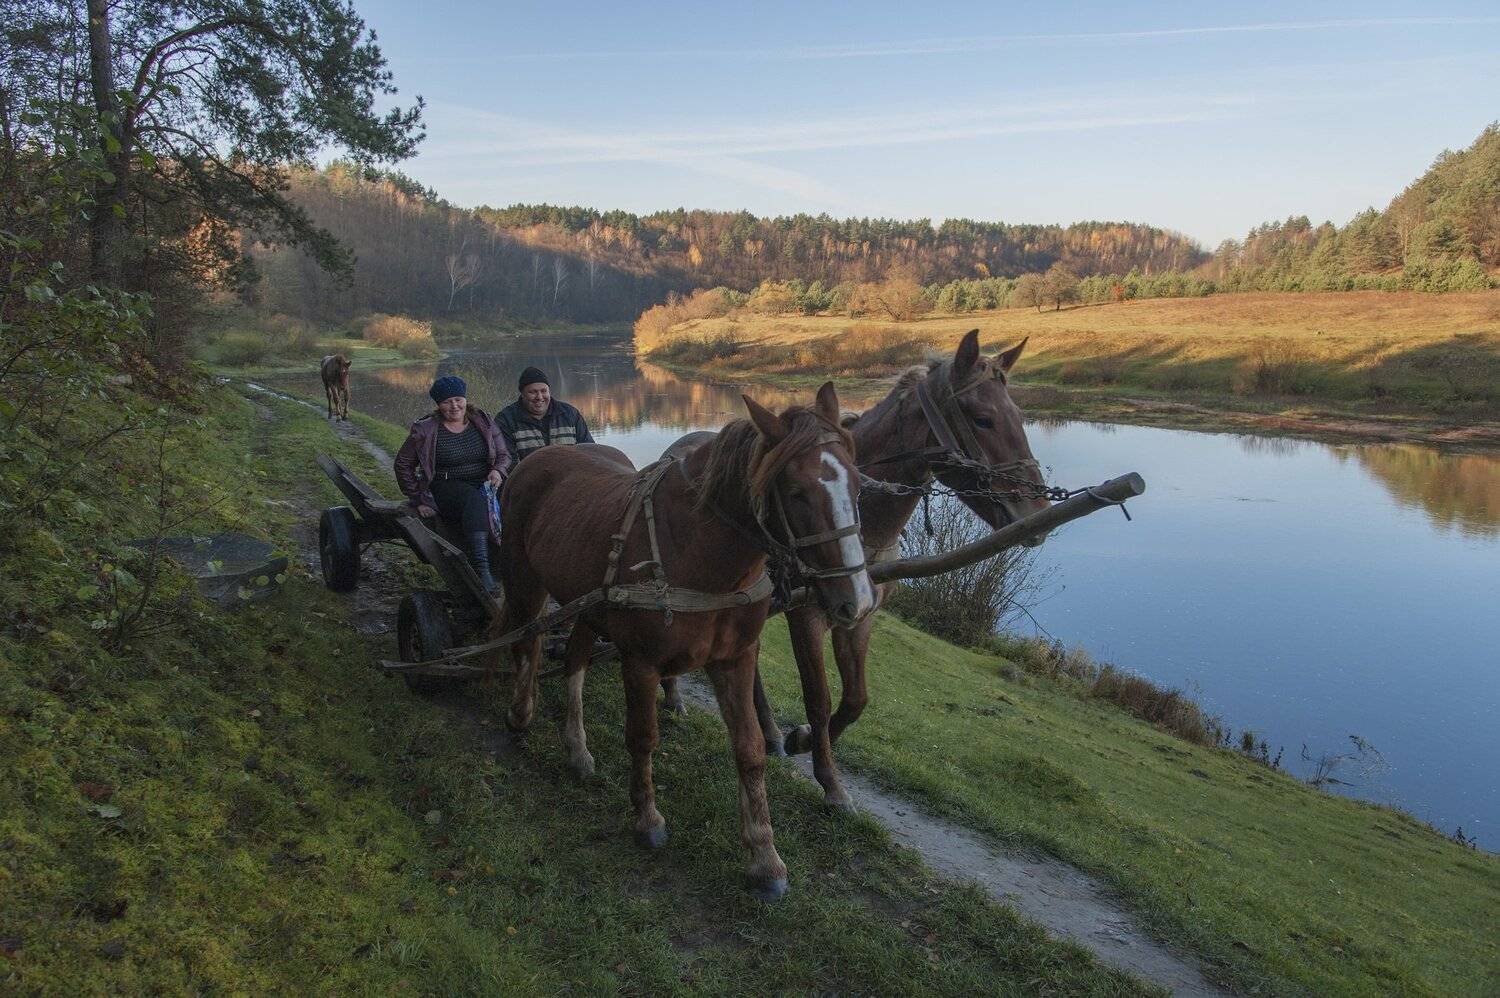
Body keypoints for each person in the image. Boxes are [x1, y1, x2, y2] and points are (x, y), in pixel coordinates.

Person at [394, 375, 511, 593]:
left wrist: (497, 470)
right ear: (438, 405)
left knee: (518, 494)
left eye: (458, 399)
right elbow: (402, 464)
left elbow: (504, 454)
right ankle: (481, 568)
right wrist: (418, 498)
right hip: (446, 486)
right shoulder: (425, 429)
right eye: (447, 402)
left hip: (485, 482)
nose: (454, 406)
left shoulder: (483, 421)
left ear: (465, 399)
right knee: (473, 500)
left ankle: (517, 561)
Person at [495, 366, 595, 464]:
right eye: (533, 392)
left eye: (543, 391)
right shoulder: (506, 420)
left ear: (549, 391)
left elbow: (590, 452)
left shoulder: (570, 414)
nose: (539, 397)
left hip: (569, 478)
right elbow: (506, 463)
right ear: (522, 394)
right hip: (527, 479)